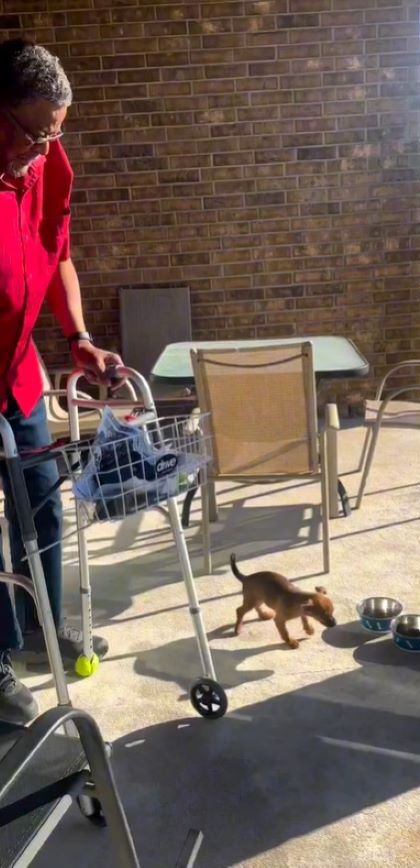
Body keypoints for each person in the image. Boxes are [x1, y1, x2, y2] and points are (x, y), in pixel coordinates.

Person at [0, 39, 124, 725]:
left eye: (56, 132)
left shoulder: (47, 165)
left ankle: (41, 636)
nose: (45, 147)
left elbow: (58, 256)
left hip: (18, 375)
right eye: (33, 132)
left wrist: (76, 339)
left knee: (41, 508)